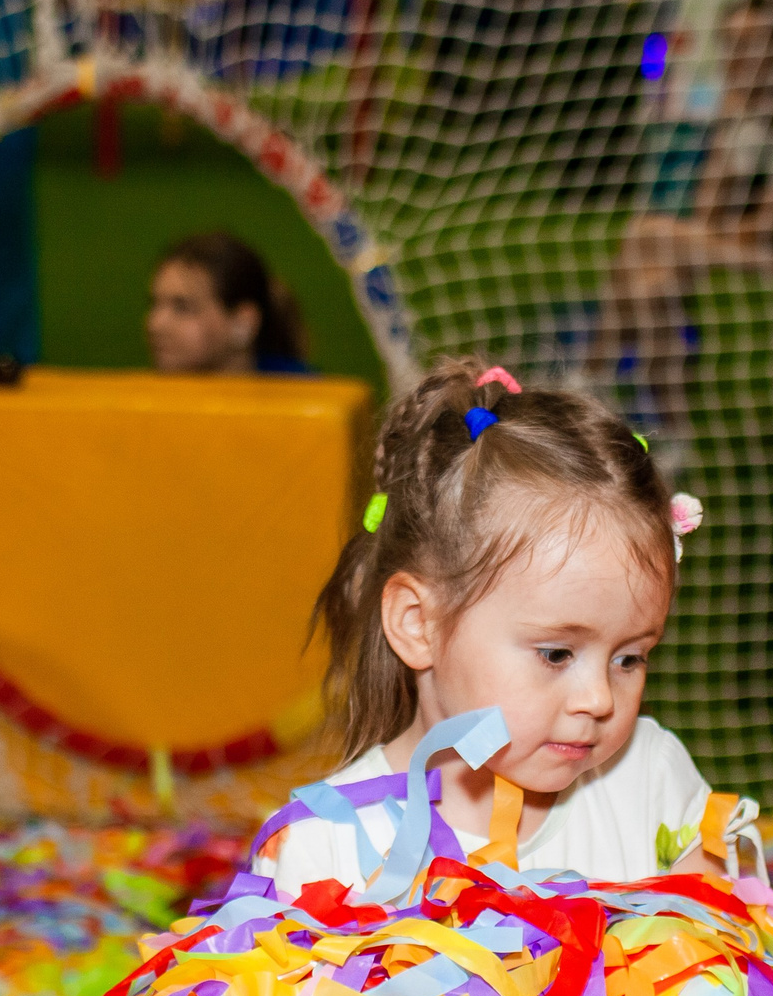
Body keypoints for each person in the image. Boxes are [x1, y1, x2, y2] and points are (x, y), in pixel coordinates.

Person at [253, 357, 746, 892]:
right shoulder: (326, 847)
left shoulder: (651, 782)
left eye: (629, 657)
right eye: (557, 654)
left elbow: (737, 951)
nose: (600, 699)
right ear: (419, 624)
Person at [595, 0, 773, 432]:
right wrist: (727, 128)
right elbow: (707, 213)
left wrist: (689, 239)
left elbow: (767, 228)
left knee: (645, 232)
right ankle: (671, 433)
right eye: (731, 44)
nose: (740, 57)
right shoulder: (754, 108)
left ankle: (590, 376)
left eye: (753, 43)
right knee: (654, 286)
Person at [144, 231, 311, 375]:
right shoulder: (147, 401)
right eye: (154, 304)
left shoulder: (308, 401)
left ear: (243, 322)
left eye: (182, 307)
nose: (155, 324)